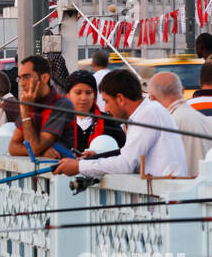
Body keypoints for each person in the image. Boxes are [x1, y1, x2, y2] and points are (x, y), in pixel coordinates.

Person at [52, 69, 187, 179]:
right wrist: (95, 157)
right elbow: (128, 154)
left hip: (166, 202)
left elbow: (126, 164)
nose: (105, 109)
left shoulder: (148, 114)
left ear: (120, 99)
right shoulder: (146, 112)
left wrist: (79, 167)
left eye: (106, 101)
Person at [148, 71, 212, 176]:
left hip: (182, 189)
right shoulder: (204, 120)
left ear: (152, 98)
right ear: (182, 91)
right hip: (208, 189)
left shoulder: (169, 123)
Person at [9, 55, 71, 159]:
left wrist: (25, 112)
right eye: (19, 78)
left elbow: (33, 149)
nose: (22, 84)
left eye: (26, 77)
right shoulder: (31, 102)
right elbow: (12, 147)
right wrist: (41, 152)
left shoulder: (61, 104)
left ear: (44, 78)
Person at [58, 71, 125, 154]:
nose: (83, 98)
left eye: (88, 93)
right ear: (68, 95)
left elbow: (124, 152)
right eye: (78, 93)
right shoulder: (58, 121)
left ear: (94, 95)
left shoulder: (109, 121)